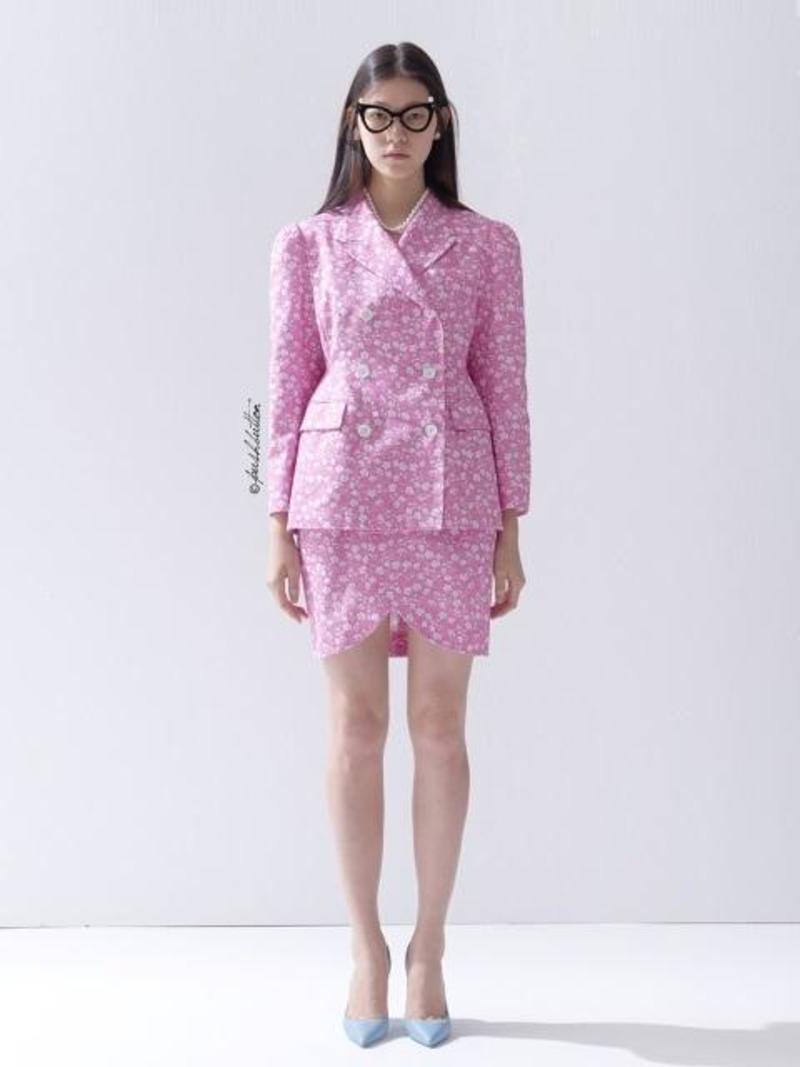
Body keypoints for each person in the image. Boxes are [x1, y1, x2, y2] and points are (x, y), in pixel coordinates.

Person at [265, 41, 531, 1047]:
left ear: (441, 123)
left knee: (439, 725)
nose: (395, 133)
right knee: (355, 726)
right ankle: (365, 948)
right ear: (352, 124)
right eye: (377, 115)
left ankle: (430, 947)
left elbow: (506, 386)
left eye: (415, 114)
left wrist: (512, 523)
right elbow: (283, 383)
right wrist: (276, 521)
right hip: (339, 496)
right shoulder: (307, 244)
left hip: (451, 495)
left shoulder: (487, 245)